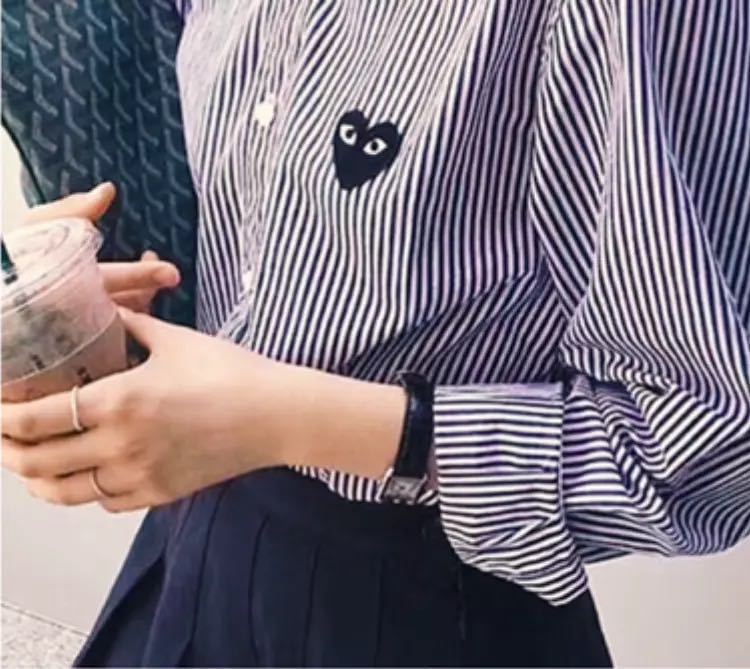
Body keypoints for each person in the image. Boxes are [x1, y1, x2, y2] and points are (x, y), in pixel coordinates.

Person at [3, 1, 749, 666]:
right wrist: (72, 297)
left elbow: (704, 452)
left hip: (421, 601)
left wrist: (287, 419)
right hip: (196, 539)